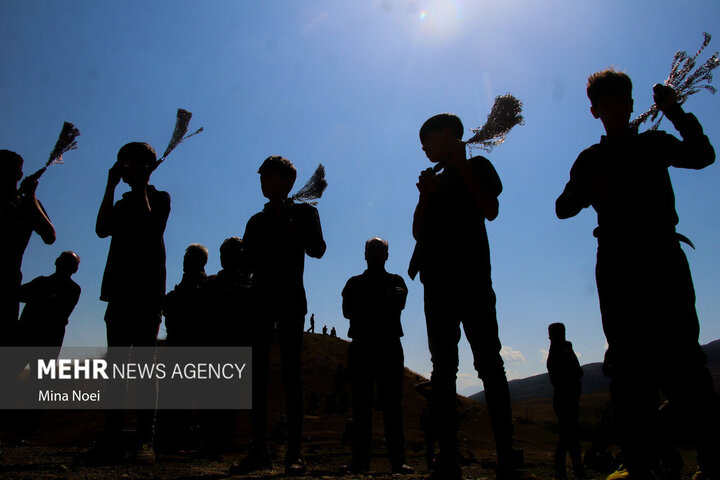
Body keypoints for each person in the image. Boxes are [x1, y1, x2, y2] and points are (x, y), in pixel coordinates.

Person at [556, 69, 720, 479]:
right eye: (605, 105)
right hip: (618, 267)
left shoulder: (654, 143)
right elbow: (562, 207)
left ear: (630, 105)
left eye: (620, 102)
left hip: (663, 260)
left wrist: (675, 111)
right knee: (628, 366)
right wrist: (590, 189)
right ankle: (640, 463)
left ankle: (710, 459)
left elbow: (702, 155)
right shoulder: (590, 159)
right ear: (595, 111)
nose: (614, 110)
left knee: (684, 358)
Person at [230, 155, 326, 476]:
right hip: (260, 302)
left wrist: (287, 220)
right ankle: (258, 451)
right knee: (256, 374)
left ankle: (294, 454)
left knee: (291, 374)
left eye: (269, 177)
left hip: (290, 301)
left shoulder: (305, 212)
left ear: (287, 181)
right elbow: (247, 265)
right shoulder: (256, 221)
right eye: (261, 178)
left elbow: (317, 249)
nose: (263, 182)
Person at [85, 142, 171, 464]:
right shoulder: (120, 205)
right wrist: (109, 186)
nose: (127, 169)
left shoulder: (160, 198)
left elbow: (152, 226)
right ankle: (111, 438)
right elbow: (100, 229)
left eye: (133, 163)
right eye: (123, 163)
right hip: (120, 291)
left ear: (147, 167)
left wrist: (142, 186)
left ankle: (144, 439)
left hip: (147, 292)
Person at [341, 237, 414, 475]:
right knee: (361, 405)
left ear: (386, 255)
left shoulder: (396, 282)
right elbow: (348, 310)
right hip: (363, 347)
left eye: (378, 250)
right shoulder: (355, 283)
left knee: (392, 405)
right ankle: (361, 460)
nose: (374, 254)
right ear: (365, 254)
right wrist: (382, 299)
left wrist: (368, 302)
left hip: (388, 346)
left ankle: (396, 460)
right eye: (371, 250)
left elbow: (398, 301)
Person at [0, 150, 55, 346]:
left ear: (19, 175)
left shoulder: (28, 204)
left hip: (8, 283)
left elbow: (50, 236)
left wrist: (31, 198)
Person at [16, 251, 81, 352]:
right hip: (45, 336)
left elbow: (20, 295)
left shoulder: (42, 283)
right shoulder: (72, 289)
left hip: (35, 334)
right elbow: (20, 295)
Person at [546, 323, 587, 480]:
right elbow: (578, 371)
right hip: (565, 399)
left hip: (566, 398)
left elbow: (578, 372)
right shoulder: (559, 354)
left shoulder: (558, 353)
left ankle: (569, 470)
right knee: (568, 437)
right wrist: (570, 351)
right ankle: (568, 470)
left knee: (569, 436)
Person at [163, 243, 209, 347]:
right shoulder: (201, 284)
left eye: (188, 257)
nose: (184, 261)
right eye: (185, 257)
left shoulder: (197, 286)